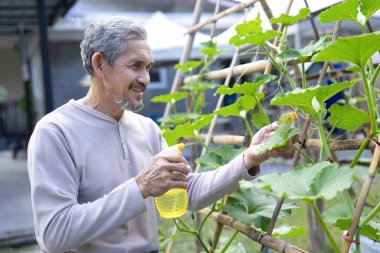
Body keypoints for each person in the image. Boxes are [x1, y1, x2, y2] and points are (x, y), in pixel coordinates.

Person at [27, 17, 293, 253]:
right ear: (99, 64)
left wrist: (249, 158)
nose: (145, 79)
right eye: (136, 66)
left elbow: (190, 192)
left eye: (148, 67)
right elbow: (54, 235)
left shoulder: (146, 129)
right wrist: (140, 186)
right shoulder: (55, 132)